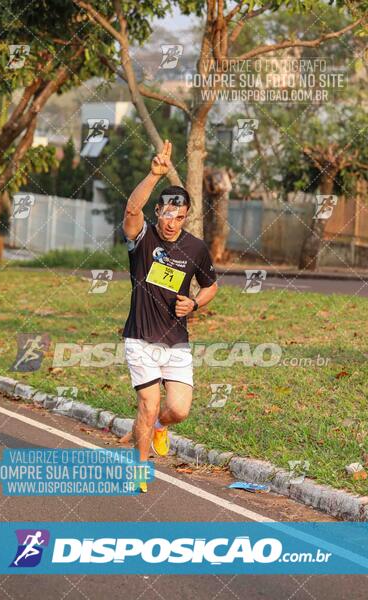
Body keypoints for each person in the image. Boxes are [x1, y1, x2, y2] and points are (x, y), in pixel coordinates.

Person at [122, 139, 218, 492]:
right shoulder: (143, 238)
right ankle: (140, 471)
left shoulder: (195, 247)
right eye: (166, 214)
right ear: (158, 212)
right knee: (148, 405)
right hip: (141, 338)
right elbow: (132, 210)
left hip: (176, 341)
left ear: (186, 216)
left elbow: (210, 286)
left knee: (177, 410)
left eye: (179, 216)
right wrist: (152, 175)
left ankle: (161, 429)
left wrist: (195, 304)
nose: (172, 222)